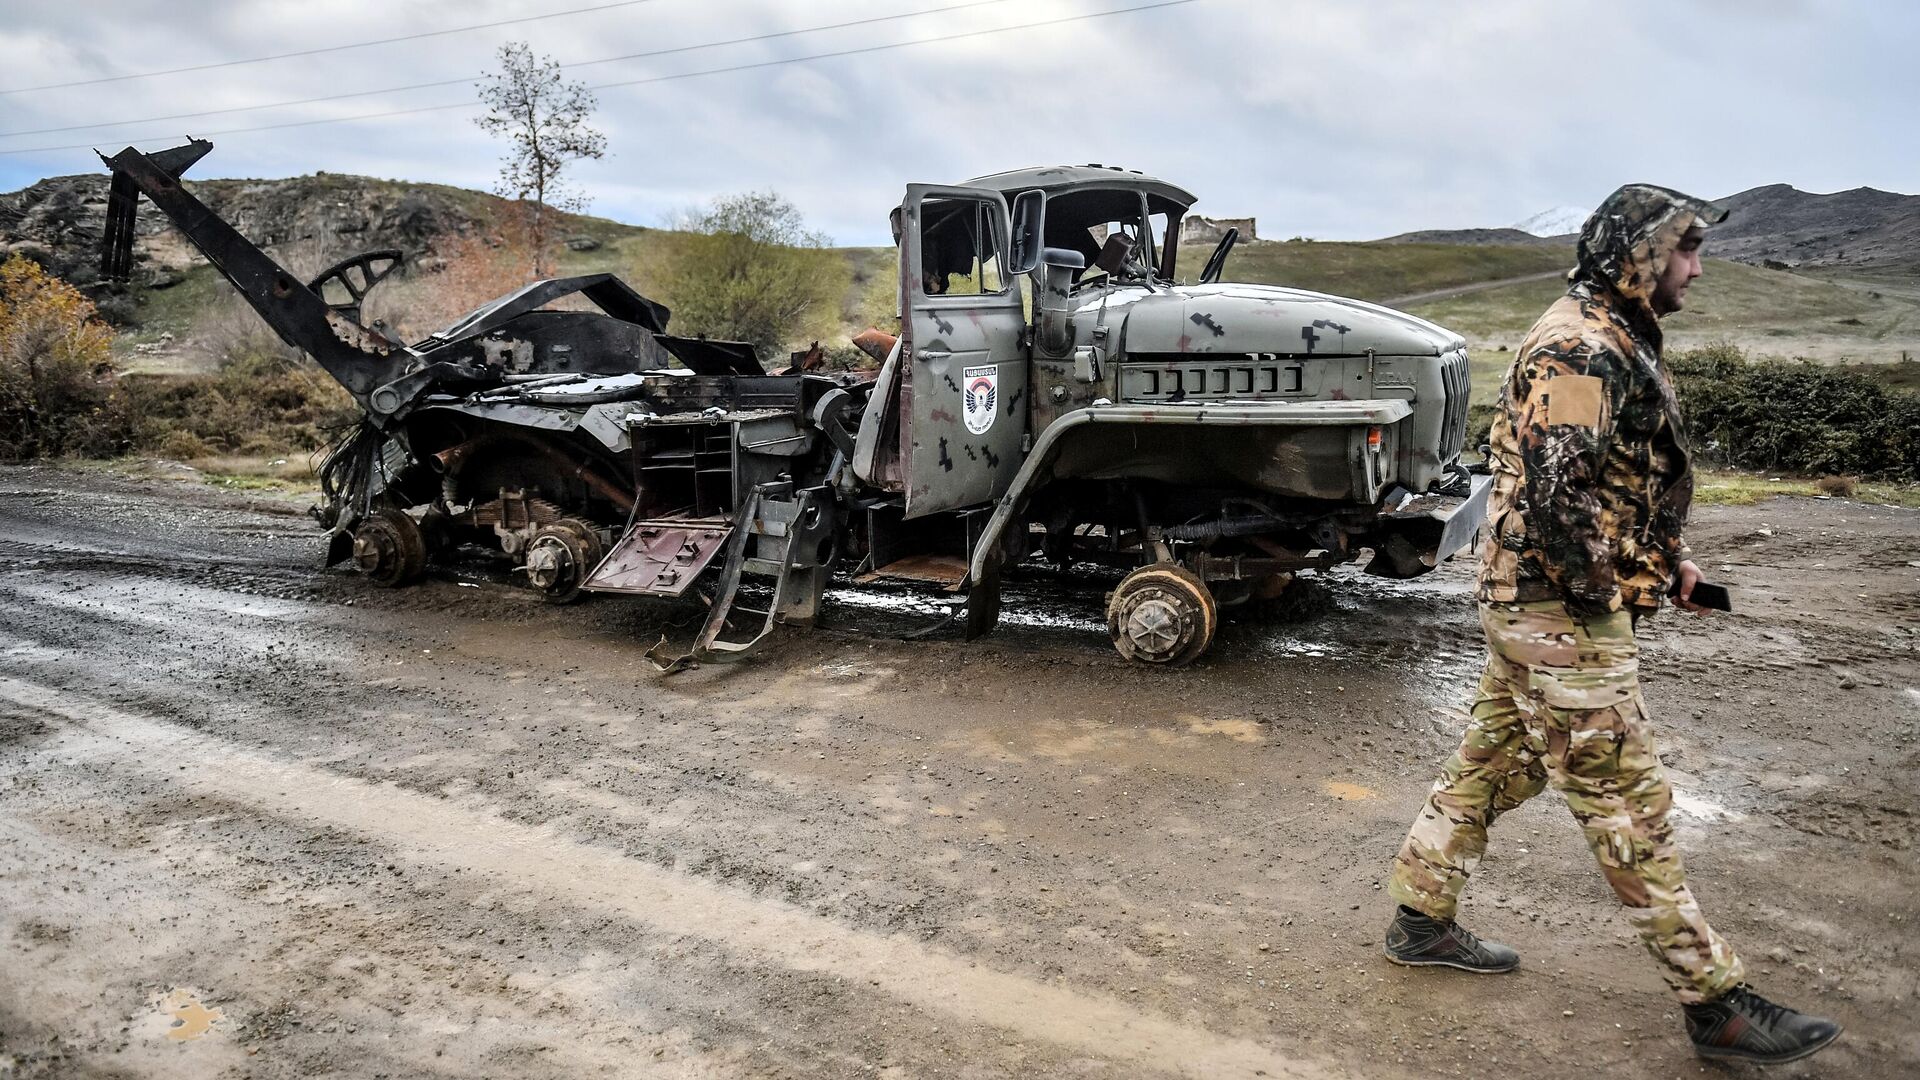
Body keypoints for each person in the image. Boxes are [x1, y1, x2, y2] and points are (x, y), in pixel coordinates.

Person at [1380, 184, 1842, 1065]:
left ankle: (1420, 918)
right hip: (1560, 611)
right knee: (1628, 799)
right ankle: (1716, 1004)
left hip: (1541, 604)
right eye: (1686, 250)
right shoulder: (1581, 346)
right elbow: (1558, 504)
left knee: (1492, 764)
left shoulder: (1612, 333)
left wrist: (1665, 563)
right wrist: (1610, 596)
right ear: (1637, 253)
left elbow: (1610, 485)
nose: (1697, 269)